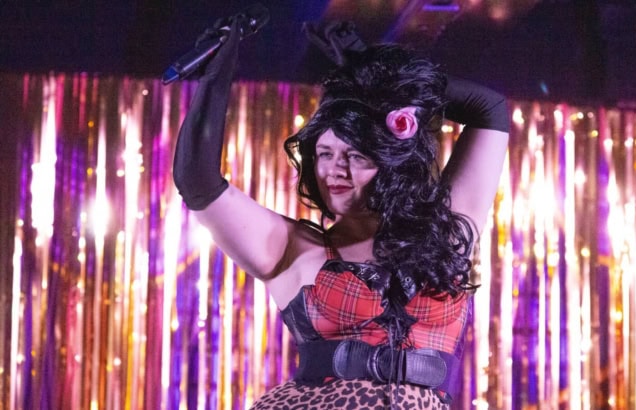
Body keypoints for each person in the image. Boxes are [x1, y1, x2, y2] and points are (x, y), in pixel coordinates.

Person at [173, 17, 510, 410]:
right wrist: (218, 74)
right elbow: (198, 181)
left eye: (356, 156)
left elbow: (489, 109)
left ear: (393, 162)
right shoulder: (292, 248)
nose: (335, 169)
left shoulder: (445, 234)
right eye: (325, 154)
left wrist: (378, 76)